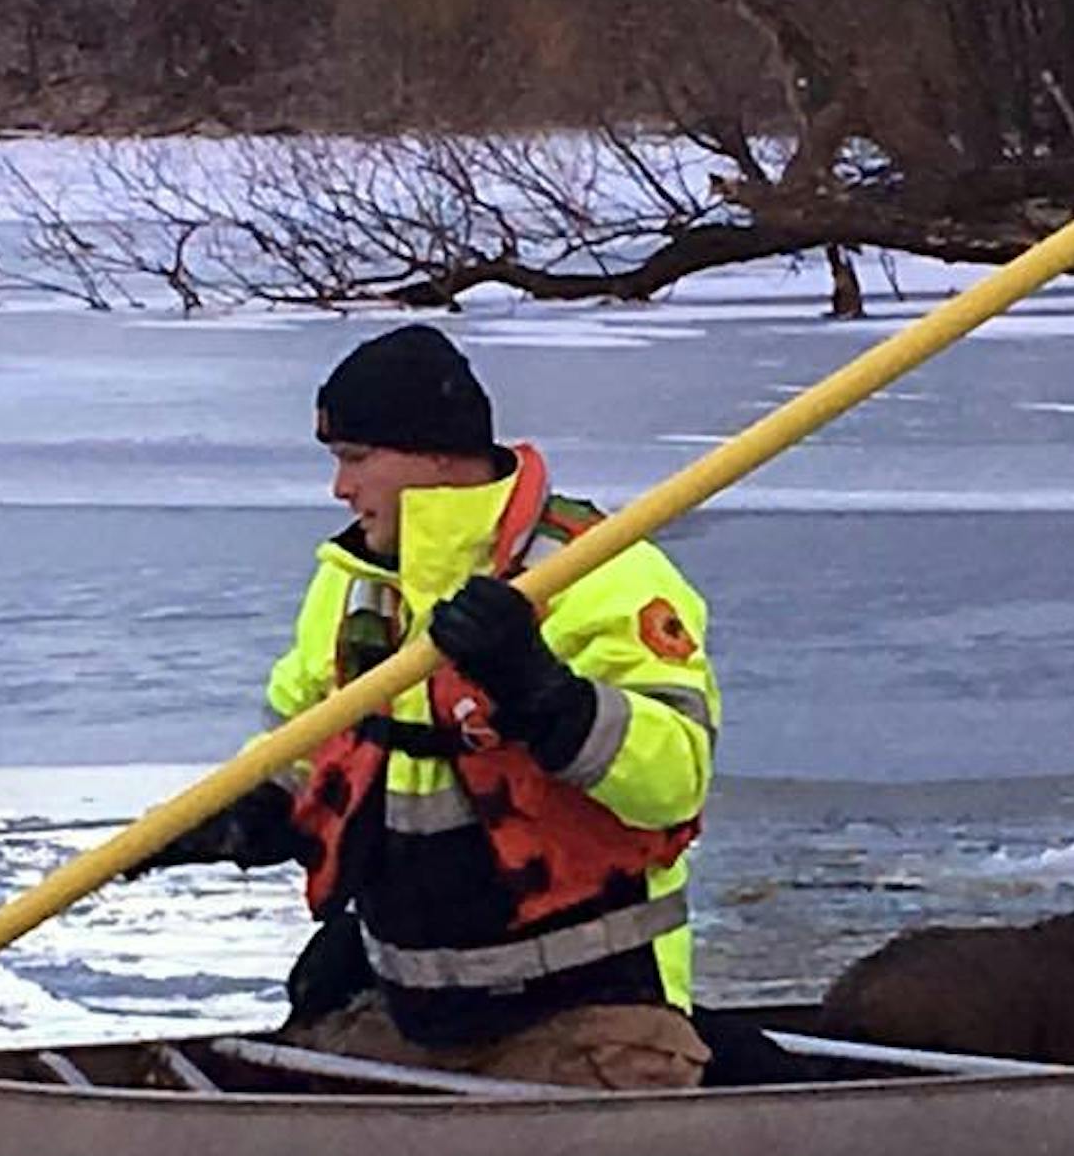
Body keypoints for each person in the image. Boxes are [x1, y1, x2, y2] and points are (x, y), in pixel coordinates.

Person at [134, 323, 719, 1089]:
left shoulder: (597, 574)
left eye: (357, 460)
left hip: (594, 1012)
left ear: (440, 456)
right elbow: (307, 758)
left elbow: (676, 779)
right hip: (416, 1015)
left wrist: (542, 691)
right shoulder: (354, 584)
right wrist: (232, 818)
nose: (341, 489)